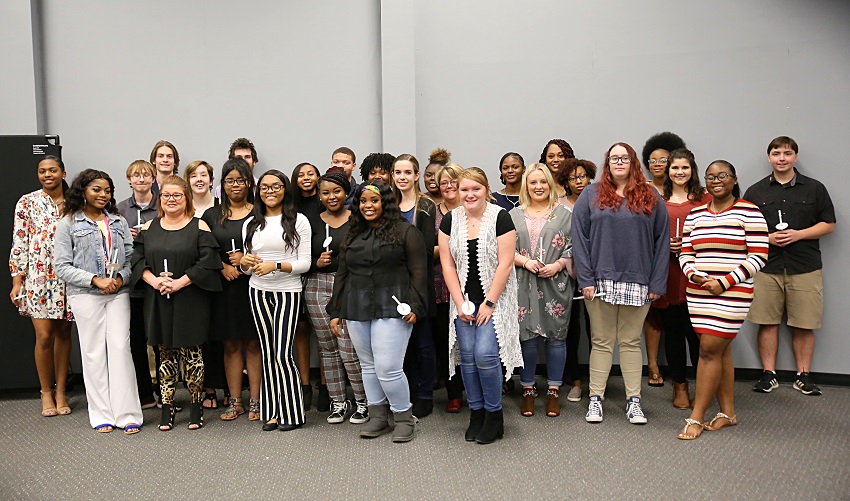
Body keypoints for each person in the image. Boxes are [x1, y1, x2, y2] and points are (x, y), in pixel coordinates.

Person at [571, 142, 669, 425]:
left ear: (633, 162)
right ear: (607, 163)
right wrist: (586, 280)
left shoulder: (650, 196)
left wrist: (657, 282)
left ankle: (634, 402)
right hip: (599, 281)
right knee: (601, 342)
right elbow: (580, 239)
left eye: (624, 157)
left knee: (629, 342)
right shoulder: (590, 194)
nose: (619, 162)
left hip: (639, 280)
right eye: (614, 158)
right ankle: (596, 400)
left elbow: (662, 241)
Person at [328, 179, 426, 442]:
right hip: (356, 306)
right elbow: (343, 272)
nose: (368, 205)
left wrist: (416, 305)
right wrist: (336, 310)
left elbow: (418, 272)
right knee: (368, 366)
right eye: (363, 201)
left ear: (386, 202)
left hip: (393, 307)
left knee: (388, 367)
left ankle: (404, 417)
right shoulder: (353, 233)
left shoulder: (406, 231)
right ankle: (378, 417)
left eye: (374, 200)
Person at [676, 160, 768, 439]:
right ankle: (728, 413)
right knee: (721, 352)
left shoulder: (749, 211)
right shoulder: (696, 214)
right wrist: (694, 275)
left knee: (708, 350)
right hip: (700, 293)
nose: (716, 180)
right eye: (711, 177)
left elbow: (759, 256)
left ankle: (696, 416)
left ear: (734, 179)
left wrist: (724, 282)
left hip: (733, 293)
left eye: (723, 175)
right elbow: (685, 252)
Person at [744, 137, 836, 396]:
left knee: (804, 324)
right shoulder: (755, 191)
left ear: (795, 157)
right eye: (776, 153)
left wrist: (799, 234)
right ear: (769, 158)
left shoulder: (815, 189)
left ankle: (803, 375)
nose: (782, 158)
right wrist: (768, 238)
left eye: (787, 153)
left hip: (804, 265)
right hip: (766, 266)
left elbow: (828, 224)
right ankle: (769, 374)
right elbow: (743, 228)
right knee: (766, 322)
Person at [131, 175, 223, 431]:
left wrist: (180, 282)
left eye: (177, 195)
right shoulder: (149, 229)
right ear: (160, 198)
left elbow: (207, 263)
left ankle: (196, 407)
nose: (171, 200)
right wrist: (155, 282)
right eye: (167, 195)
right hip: (158, 298)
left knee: (193, 356)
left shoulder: (199, 227)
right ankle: (167, 409)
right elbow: (137, 262)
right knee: (165, 356)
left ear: (187, 198)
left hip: (190, 298)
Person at [54, 169, 142, 434]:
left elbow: (129, 258)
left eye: (107, 190)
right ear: (83, 190)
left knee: (120, 348)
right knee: (93, 353)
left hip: (117, 293)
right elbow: (62, 266)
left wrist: (120, 278)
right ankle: (101, 414)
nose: (103, 195)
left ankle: (127, 414)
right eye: (97, 189)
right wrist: (95, 279)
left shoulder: (117, 222)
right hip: (85, 295)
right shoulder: (68, 223)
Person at [439, 168, 521, 444]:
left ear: (486, 189)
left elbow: (506, 263)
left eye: (476, 189)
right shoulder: (450, 220)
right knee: (468, 358)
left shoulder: (500, 217)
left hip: (494, 299)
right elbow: (447, 264)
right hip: (462, 301)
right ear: (457, 191)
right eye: (464, 190)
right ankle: (476, 413)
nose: (470, 194)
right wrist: (460, 302)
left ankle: (494, 414)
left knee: (486, 356)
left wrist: (489, 303)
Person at [239, 170, 312, 432]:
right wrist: (244, 263)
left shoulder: (299, 221)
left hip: (287, 292)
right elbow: (248, 268)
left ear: (285, 190)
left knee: (282, 353)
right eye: (265, 187)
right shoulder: (250, 223)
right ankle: (271, 411)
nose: (270, 191)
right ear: (258, 191)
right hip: (257, 292)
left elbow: (305, 263)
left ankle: (292, 412)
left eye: (276, 186)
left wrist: (276, 265)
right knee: (267, 353)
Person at [9, 155, 74, 417]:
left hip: (67, 276)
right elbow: (20, 240)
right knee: (44, 335)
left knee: (63, 334)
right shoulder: (27, 202)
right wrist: (17, 280)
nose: (47, 175)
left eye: (53, 170)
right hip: (37, 277)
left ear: (63, 173)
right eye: (42, 171)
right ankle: (46, 392)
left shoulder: (74, 203)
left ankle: (61, 392)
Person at [304, 172, 368, 424]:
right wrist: (315, 262)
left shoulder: (358, 218)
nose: (332, 197)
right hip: (317, 286)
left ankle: (363, 402)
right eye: (326, 192)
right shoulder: (310, 222)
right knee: (327, 349)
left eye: (337, 191)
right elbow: (299, 257)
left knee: (349, 349)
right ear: (319, 195)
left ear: (346, 193)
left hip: (350, 287)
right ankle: (338, 402)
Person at [509, 164, 573, 418]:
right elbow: (502, 250)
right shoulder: (513, 215)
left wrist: (558, 265)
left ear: (550, 184)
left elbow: (575, 247)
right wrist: (525, 261)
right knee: (527, 338)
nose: (538, 187)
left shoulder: (565, 214)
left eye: (542, 182)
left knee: (556, 338)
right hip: (522, 282)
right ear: (526, 185)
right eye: (533, 182)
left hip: (555, 284)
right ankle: (527, 388)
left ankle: (554, 389)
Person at [200, 158, 262, 422]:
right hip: (224, 289)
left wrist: (246, 259)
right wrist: (223, 265)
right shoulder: (212, 214)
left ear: (249, 182)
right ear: (221, 185)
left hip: (255, 287)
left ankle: (257, 402)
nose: (235, 185)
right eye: (230, 181)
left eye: (241, 180)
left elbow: (271, 246)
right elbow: (202, 249)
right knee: (231, 345)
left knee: (254, 343)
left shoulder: (260, 211)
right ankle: (235, 401)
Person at [655, 149, 712, 409]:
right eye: (674, 168)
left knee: (698, 334)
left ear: (693, 170)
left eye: (685, 168)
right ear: (667, 171)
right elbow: (648, 236)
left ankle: (704, 386)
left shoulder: (706, 199)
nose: (679, 172)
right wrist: (665, 245)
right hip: (668, 273)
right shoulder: (658, 200)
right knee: (674, 331)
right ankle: (679, 385)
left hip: (699, 275)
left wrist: (689, 245)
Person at [640, 132, 687, 387]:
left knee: (677, 316)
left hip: (682, 262)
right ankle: (653, 364)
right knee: (652, 316)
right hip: (651, 259)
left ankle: (679, 372)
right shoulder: (643, 190)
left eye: (664, 160)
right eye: (653, 160)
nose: (658, 164)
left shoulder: (682, 190)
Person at [393, 154, 438, 418]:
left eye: (407, 172)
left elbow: (424, 247)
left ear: (416, 175)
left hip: (421, 279)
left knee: (423, 340)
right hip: (394, 282)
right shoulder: (388, 204)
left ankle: (425, 393)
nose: (402, 177)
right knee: (402, 341)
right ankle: (407, 390)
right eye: (397, 172)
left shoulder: (426, 205)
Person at [116, 160, 159, 409]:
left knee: (161, 341)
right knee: (135, 342)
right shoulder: (120, 209)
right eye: (136, 175)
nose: (141, 179)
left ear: (153, 178)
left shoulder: (163, 205)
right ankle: (143, 395)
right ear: (129, 179)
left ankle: (167, 394)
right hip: (131, 286)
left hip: (158, 282)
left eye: (146, 175)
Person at [555, 158, 597, 403]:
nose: (579, 181)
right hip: (565, 274)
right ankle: (575, 381)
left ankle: (596, 382)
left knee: (596, 330)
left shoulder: (600, 202)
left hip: (595, 273)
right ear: (566, 182)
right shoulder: (558, 206)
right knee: (570, 329)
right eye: (573, 178)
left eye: (582, 176)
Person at [185, 160, 225, 408]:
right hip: (190, 280)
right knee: (197, 337)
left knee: (218, 337)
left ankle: (226, 389)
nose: (199, 179)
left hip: (221, 280)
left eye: (204, 175)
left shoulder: (222, 208)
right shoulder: (181, 208)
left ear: (211, 180)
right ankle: (204, 388)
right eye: (193, 176)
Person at [433, 163, 466, 412]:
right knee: (447, 343)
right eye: (444, 182)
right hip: (440, 287)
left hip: (473, 285)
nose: (449, 186)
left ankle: (477, 389)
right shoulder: (432, 213)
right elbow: (425, 248)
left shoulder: (474, 210)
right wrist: (446, 250)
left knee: (473, 341)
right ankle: (453, 393)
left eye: (454, 181)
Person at [292, 162, 324, 410]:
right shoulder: (290, 205)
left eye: (310, 174)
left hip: (321, 273)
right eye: (301, 174)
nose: (306, 178)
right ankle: (304, 385)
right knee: (301, 331)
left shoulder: (325, 201)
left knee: (323, 334)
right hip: (296, 274)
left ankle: (324, 384)